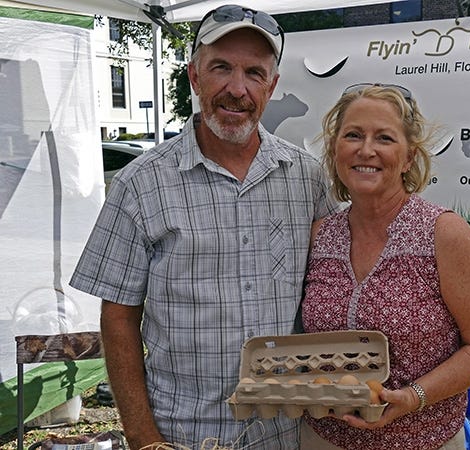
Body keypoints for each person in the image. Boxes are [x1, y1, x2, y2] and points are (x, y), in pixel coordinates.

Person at [69, 5, 339, 449]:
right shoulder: (141, 182)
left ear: (271, 86)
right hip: (184, 435)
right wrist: (143, 438)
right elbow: (118, 319)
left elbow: (336, 283)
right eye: (221, 68)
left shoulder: (307, 176)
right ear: (194, 76)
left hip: (288, 432)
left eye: (254, 73)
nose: (238, 89)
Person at [300, 83, 470, 450]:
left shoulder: (443, 234)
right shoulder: (321, 236)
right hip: (323, 438)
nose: (366, 150)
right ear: (335, 150)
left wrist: (412, 397)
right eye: (353, 135)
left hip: (423, 439)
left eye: (384, 138)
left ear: (409, 156)